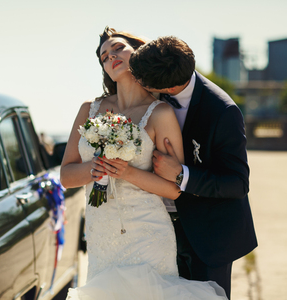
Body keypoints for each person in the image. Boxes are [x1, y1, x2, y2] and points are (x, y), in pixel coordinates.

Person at [60, 27, 227, 299]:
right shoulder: (88, 109)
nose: (110, 56)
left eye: (117, 48)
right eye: (104, 56)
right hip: (102, 234)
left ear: (137, 53)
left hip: (147, 233)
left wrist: (126, 172)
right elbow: (66, 176)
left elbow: (174, 190)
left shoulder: (160, 113)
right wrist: (94, 168)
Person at [128, 36, 258, 299]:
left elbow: (237, 183)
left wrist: (180, 174)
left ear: (170, 86)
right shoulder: (155, 88)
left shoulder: (223, 111)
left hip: (209, 236)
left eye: (143, 81)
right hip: (158, 229)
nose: (138, 84)